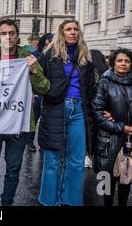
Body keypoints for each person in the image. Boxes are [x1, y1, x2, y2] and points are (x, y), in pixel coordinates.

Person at [0, 19, 50, 206]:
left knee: (13, 167)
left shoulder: (28, 59)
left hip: (19, 122)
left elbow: (44, 88)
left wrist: (35, 71)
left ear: (17, 35)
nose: (8, 37)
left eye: (12, 33)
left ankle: (7, 201)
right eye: (3, 33)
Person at [37, 19, 95, 206]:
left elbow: (91, 89)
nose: (72, 32)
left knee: (76, 160)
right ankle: (48, 201)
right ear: (61, 33)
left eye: (76, 29)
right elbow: (39, 83)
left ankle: (70, 201)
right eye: (68, 29)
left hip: (79, 110)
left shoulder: (85, 57)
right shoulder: (49, 55)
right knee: (53, 159)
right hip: (55, 109)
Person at [91, 48, 132, 206]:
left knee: (125, 184)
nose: (123, 64)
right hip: (108, 142)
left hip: (130, 143)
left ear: (131, 64)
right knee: (106, 185)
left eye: (127, 61)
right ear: (113, 63)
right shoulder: (103, 83)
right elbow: (97, 113)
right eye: (119, 60)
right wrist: (121, 127)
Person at [28, 33, 53, 152]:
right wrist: (30, 92)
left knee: (46, 120)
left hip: (46, 92)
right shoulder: (35, 55)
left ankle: (43, 144)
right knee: (34, 118)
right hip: (36, 93)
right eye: (48, 42)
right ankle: (30, 142)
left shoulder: (52, 56)